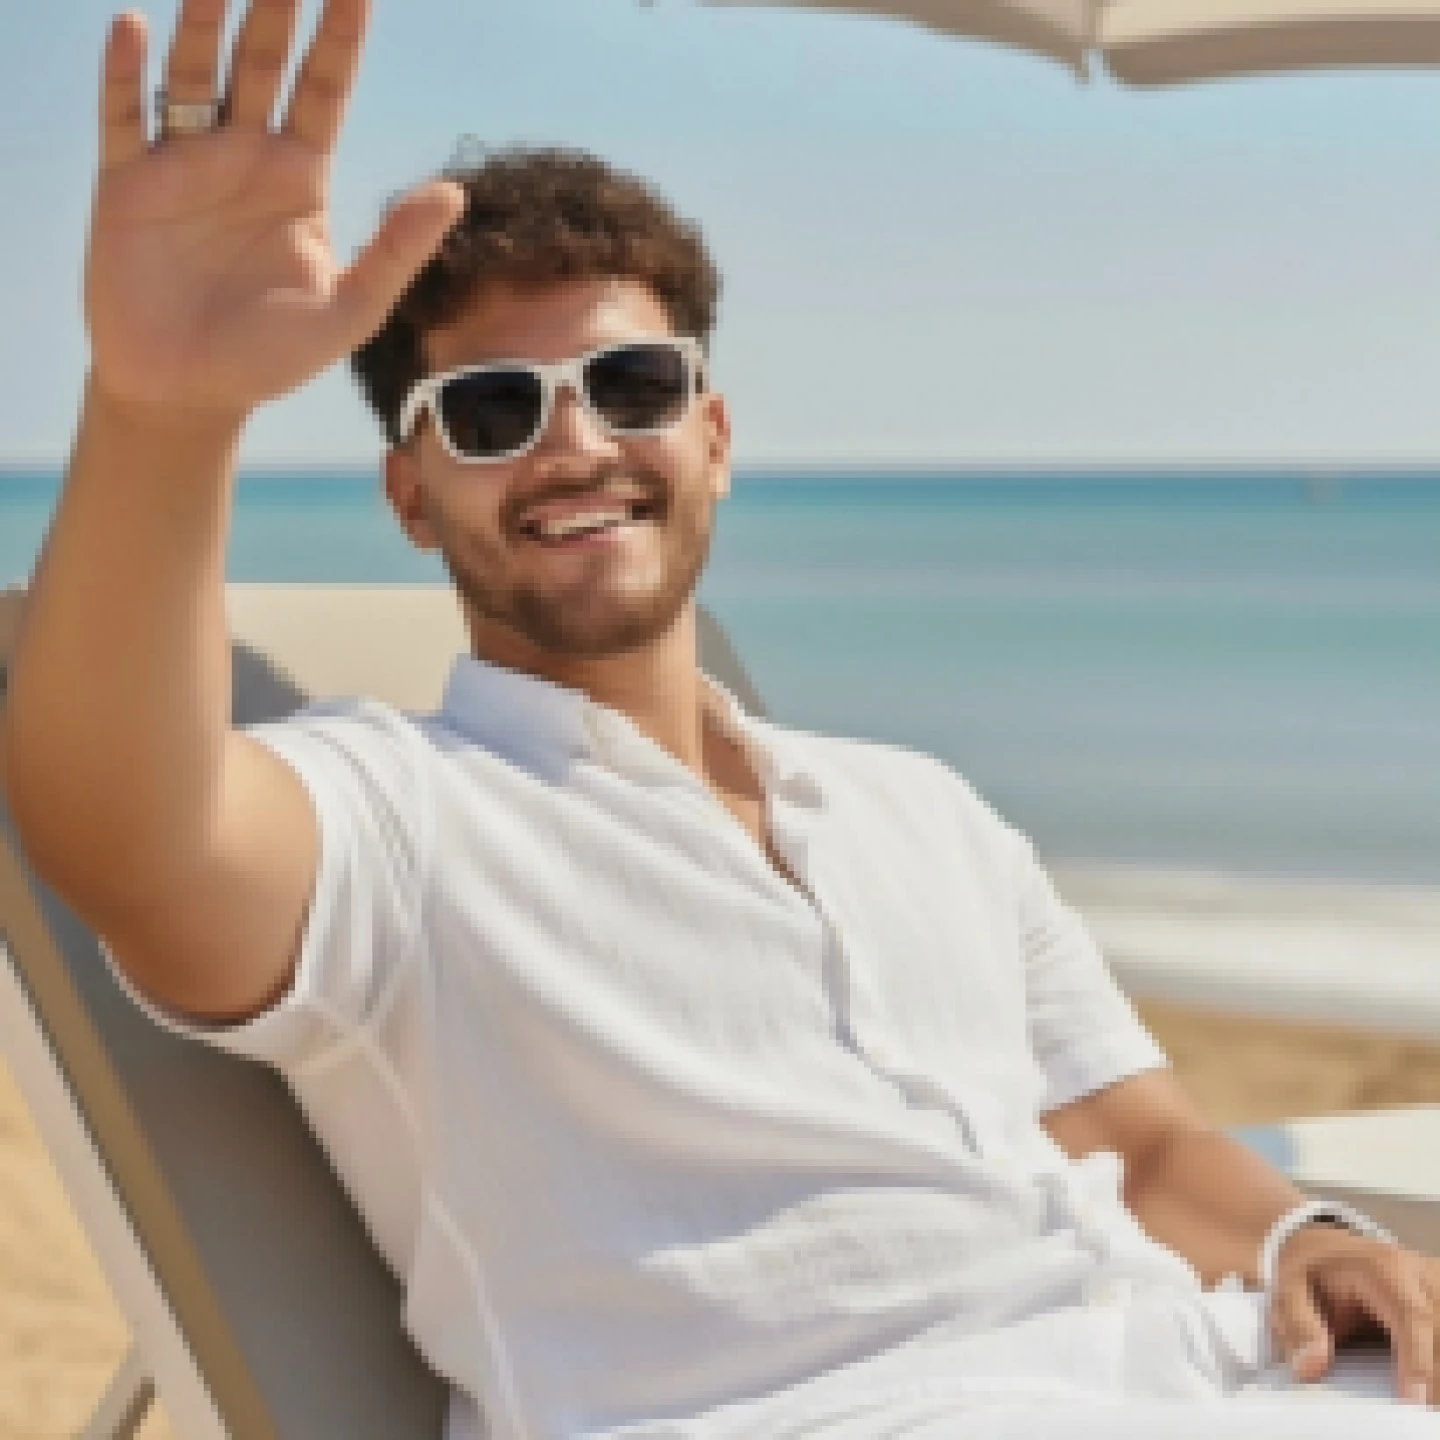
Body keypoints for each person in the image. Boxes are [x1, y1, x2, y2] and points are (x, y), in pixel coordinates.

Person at [3, 2, 1437, 1437]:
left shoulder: (920, 809)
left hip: (1227, 1369)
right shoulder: (394, 824)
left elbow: (1147, 1145)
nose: (576, 444)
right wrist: (163, 416)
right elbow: (132, 838)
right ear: (410, 494)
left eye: (632, 386)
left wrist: (1306, 1235)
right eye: (494, 410)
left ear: (715, 438)